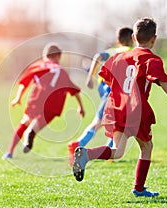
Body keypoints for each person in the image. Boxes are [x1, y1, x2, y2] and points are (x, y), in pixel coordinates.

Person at [72, 17, 167, 197]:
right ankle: (139, 188)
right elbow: (162, 80)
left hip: (118, 108)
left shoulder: (119, 57)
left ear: (133, 37)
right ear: (154, 39)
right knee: (147, 147)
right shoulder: (152, 59)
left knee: (117, 152)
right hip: (137, 110)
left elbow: (107, 78)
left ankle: (87, 154)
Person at [2, 43, 85, 159]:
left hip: (37, 99)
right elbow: (75, 91)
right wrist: (80, 107)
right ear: (57, 56)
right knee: (42, 119)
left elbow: (24, 84)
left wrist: (18, 98)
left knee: (24, 122)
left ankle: (9, 152)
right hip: (54, 103)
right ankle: (32, 132)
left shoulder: (37, 66)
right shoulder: (61, 71)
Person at [67, 27, 134, 167]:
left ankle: (109, 150)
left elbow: (98, 56)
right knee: (99, 122)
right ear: (133, 39)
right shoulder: (130, 52)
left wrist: (91, 77)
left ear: (118, 40)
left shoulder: (113, 51)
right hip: (114, 92)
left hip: (108, 89)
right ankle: (77, 144)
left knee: (116, 121)